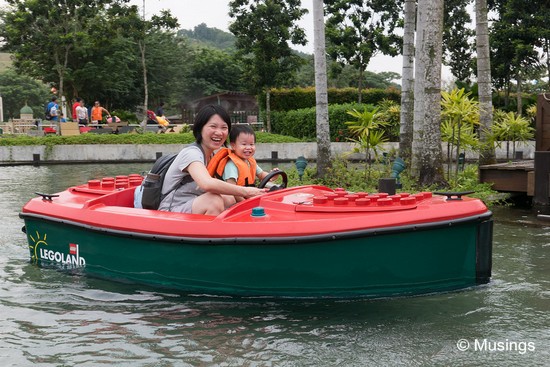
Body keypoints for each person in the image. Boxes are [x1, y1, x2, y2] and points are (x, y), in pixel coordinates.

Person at [158, 105, 266, 215]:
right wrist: (246, 191)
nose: (219, 132)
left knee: (230, 198)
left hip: (194, 202)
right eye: (213, 126)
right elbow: (207, 184)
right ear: (200, 128)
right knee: (213, 201)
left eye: (224, 128)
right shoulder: (191, 153)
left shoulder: (214, 154)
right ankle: (212, 232)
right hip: (171, 210)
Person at [209, 124, 270, 190]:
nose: (248, 147)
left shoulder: (250, 161)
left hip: (248, 194)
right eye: (244, 144)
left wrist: (272, 175)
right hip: (235, 198)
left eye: (251, 144)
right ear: (233, 146)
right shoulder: (231, 165)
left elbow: (261, 175)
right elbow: (231, 189)